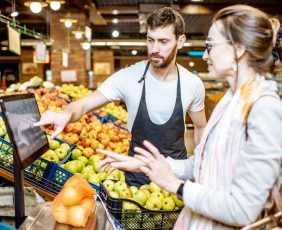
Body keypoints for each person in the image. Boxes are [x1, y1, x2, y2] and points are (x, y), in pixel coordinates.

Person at [97, 5, 282, 229]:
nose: (204, 55)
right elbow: (202, 164)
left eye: (210, 46)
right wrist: (147, 165)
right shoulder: (230, 102)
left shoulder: (264, 110)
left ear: (238, 50)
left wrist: (176, 186)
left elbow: (243, 209)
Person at [34, 7, 207, 187]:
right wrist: (65, 114)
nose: (154, 49)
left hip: (176, 177)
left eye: (163, 41)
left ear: (180, 41)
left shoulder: (192, 84)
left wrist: (200, 169)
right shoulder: (129, 77)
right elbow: (84, 105)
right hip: (136, 180)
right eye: (150, 40)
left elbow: (201, 126)